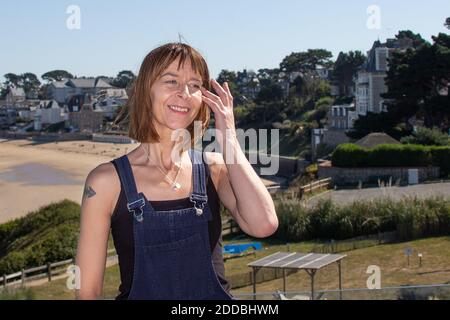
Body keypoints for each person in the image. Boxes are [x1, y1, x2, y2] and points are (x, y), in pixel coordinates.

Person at [75, 42, 278, 300]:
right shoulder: (106, 182)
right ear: (144, 91)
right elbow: (87, 293)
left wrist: (229, 138)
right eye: (171, 81)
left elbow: (264, 224)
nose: (184, 92)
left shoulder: (214, 169)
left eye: (195, 85)